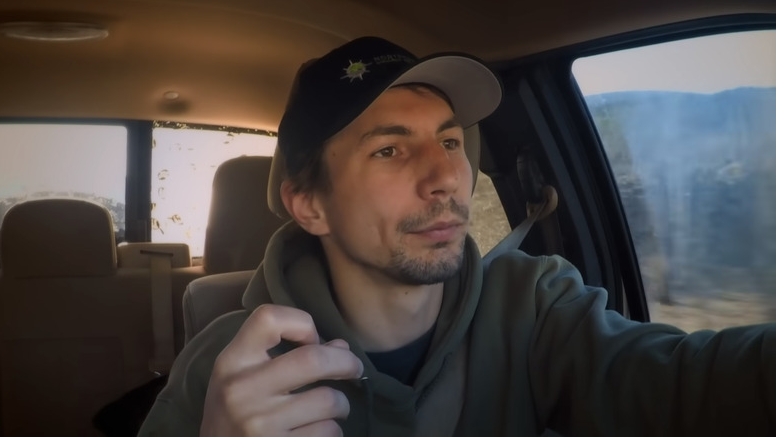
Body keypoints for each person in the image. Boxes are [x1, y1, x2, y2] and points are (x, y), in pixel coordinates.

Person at [138, 36, 776, 437]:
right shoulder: (230, 367)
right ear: (309, 206)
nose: (445, 175)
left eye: (448, 140)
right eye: (390, 150)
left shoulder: (535, 303)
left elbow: (687, 385)